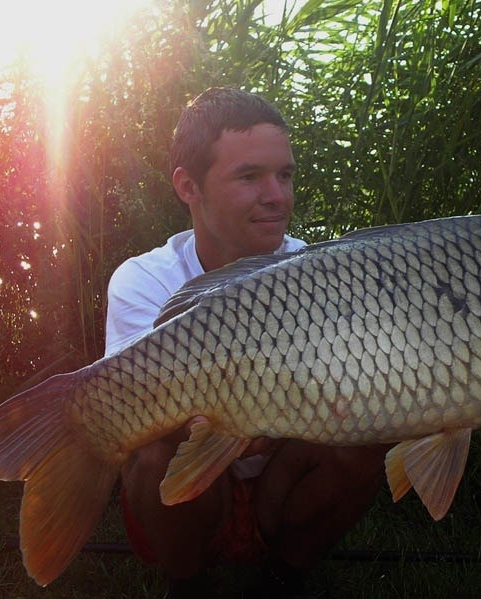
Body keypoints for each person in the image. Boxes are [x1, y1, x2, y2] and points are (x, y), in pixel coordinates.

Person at [104, 88, 389, 597]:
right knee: (152, 448)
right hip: (194, 490)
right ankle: (187, 580)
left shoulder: (323, 271)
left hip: (282, 483)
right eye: (250, 176)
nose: (278, 196)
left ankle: (286, 575)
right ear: (189, 187)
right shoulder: (144, 280)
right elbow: (149, 421)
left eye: (285, 175)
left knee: (366, 438)